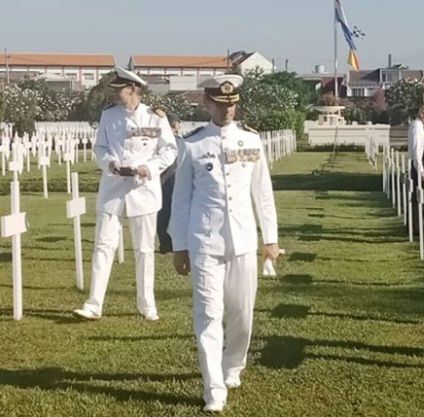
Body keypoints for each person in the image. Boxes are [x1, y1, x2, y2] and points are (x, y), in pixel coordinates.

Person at [169, 74, 279, 413]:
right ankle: (213, 388)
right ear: (207, 103)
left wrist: (270, 239)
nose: (227, 110)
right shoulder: (192, 144)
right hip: (205, 240)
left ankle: (233, 365)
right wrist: (179, 244)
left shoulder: (251, 141)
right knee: (208, 315)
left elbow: (262, 192)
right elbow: (181, 197)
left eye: (232, 104)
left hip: (243, 239)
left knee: (242, 315)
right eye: (220, 103)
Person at [73, 66, 177, 321]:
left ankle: (147, 304)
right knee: (103, 245)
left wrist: (149, 168)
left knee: (144, 249)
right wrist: (109, 162)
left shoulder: (155, 117)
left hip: (143, 188)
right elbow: (100, 147)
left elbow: (169, 150)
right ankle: (94, 303)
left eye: (120, 89)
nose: (116, 94)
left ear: (133, 90)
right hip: (114, 187)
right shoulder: (109, 115)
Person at [156, 113, 182, 254]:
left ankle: (166, 243)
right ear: (174, 125)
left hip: (166, 180)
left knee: (164, 213)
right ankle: (169, 243)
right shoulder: (176, 141)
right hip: (170, 179)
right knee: (167, 213)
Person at [406, 104, 424, 231]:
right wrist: (421, 170)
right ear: (422, 114)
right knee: (418, 198)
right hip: (418, 166)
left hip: (419, 165)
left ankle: (416, 225)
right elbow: (417, 150)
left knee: (419, 198)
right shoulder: (417, 127)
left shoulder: (420, 126)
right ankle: (415, 227)